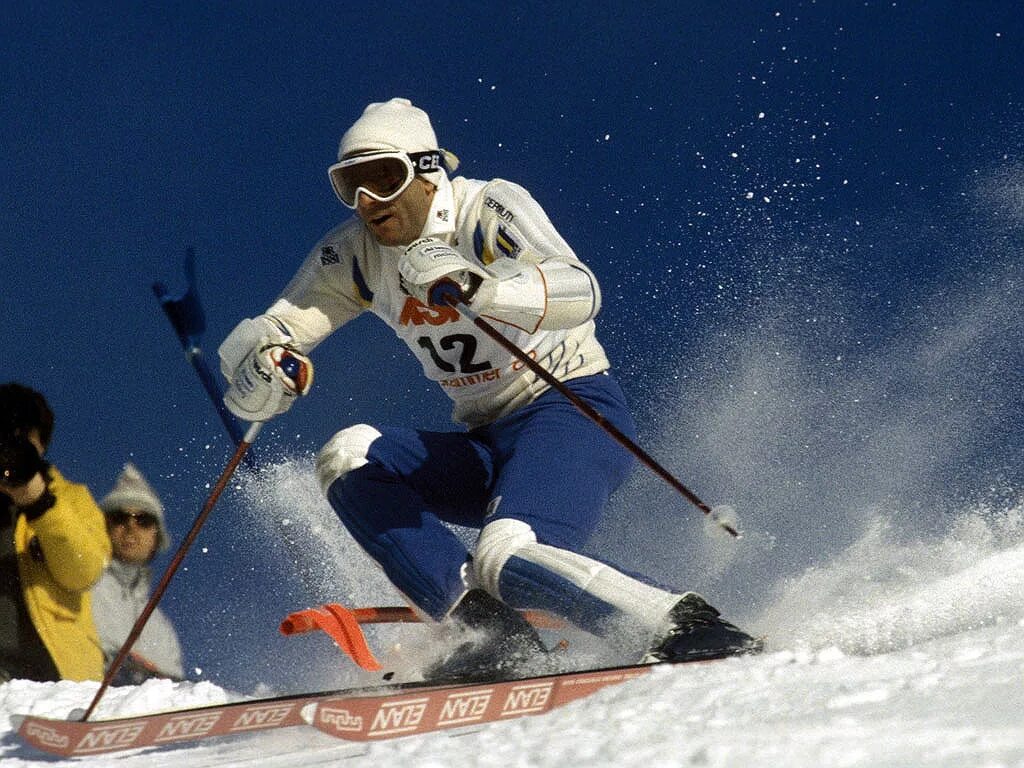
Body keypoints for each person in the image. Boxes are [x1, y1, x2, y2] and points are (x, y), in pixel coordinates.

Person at [218, 98, 759, 681]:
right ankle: (488, 635)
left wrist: (483, 287)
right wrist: (260, 368)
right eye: (350, 185)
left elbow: (580, 288)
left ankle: (687, 626)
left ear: (427, 172)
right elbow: (275, 328)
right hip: (484, 440)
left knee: (503, 553)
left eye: (384, 177)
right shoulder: (354, 253)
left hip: (571, 409)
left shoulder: (485, 208)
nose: (367, 200)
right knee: (347, 456)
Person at [0, 382, 111, 682]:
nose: (9, 457)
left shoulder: (72, 500)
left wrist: (40, 506)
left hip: (59, 682)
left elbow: (85, 571)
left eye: (22, 446)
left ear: (42, 448)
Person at [92, 463, 184, 684]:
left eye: (143, 520)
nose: (131, 526)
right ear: (104, 527)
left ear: (156, 536)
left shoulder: (162, 630)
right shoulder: (80, 588)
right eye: (119, 518)